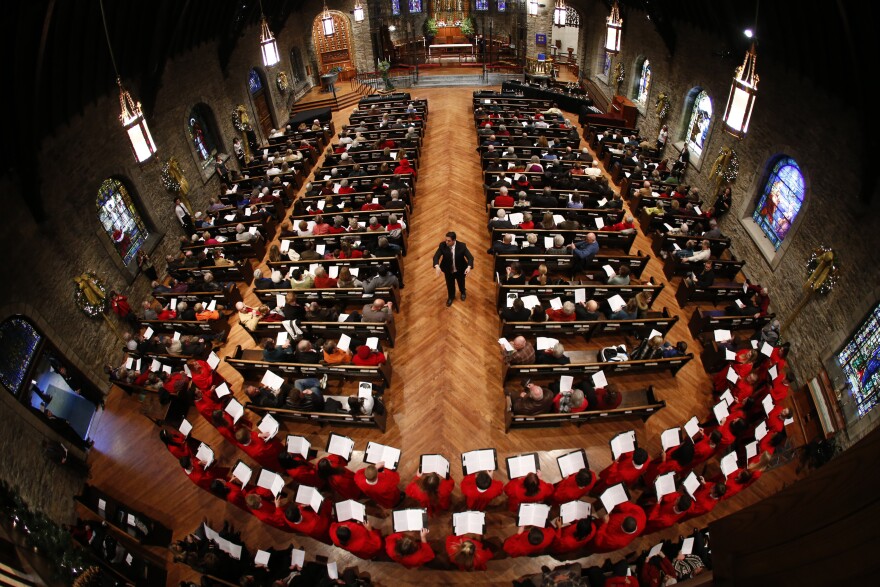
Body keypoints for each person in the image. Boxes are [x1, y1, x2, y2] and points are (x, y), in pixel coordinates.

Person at [433, 231, 474, 307]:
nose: (446, 242)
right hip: (448, 270)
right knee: (450, 285)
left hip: (460, 270)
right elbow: (436, 256)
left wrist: (468, 267)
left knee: (461, 283)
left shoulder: (462, 246)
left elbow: (470, 257)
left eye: (449, 241)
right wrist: (437, 266)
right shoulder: (442, 245)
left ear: (454, 240)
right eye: (446, 240)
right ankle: (451, 297)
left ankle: (463, 292)